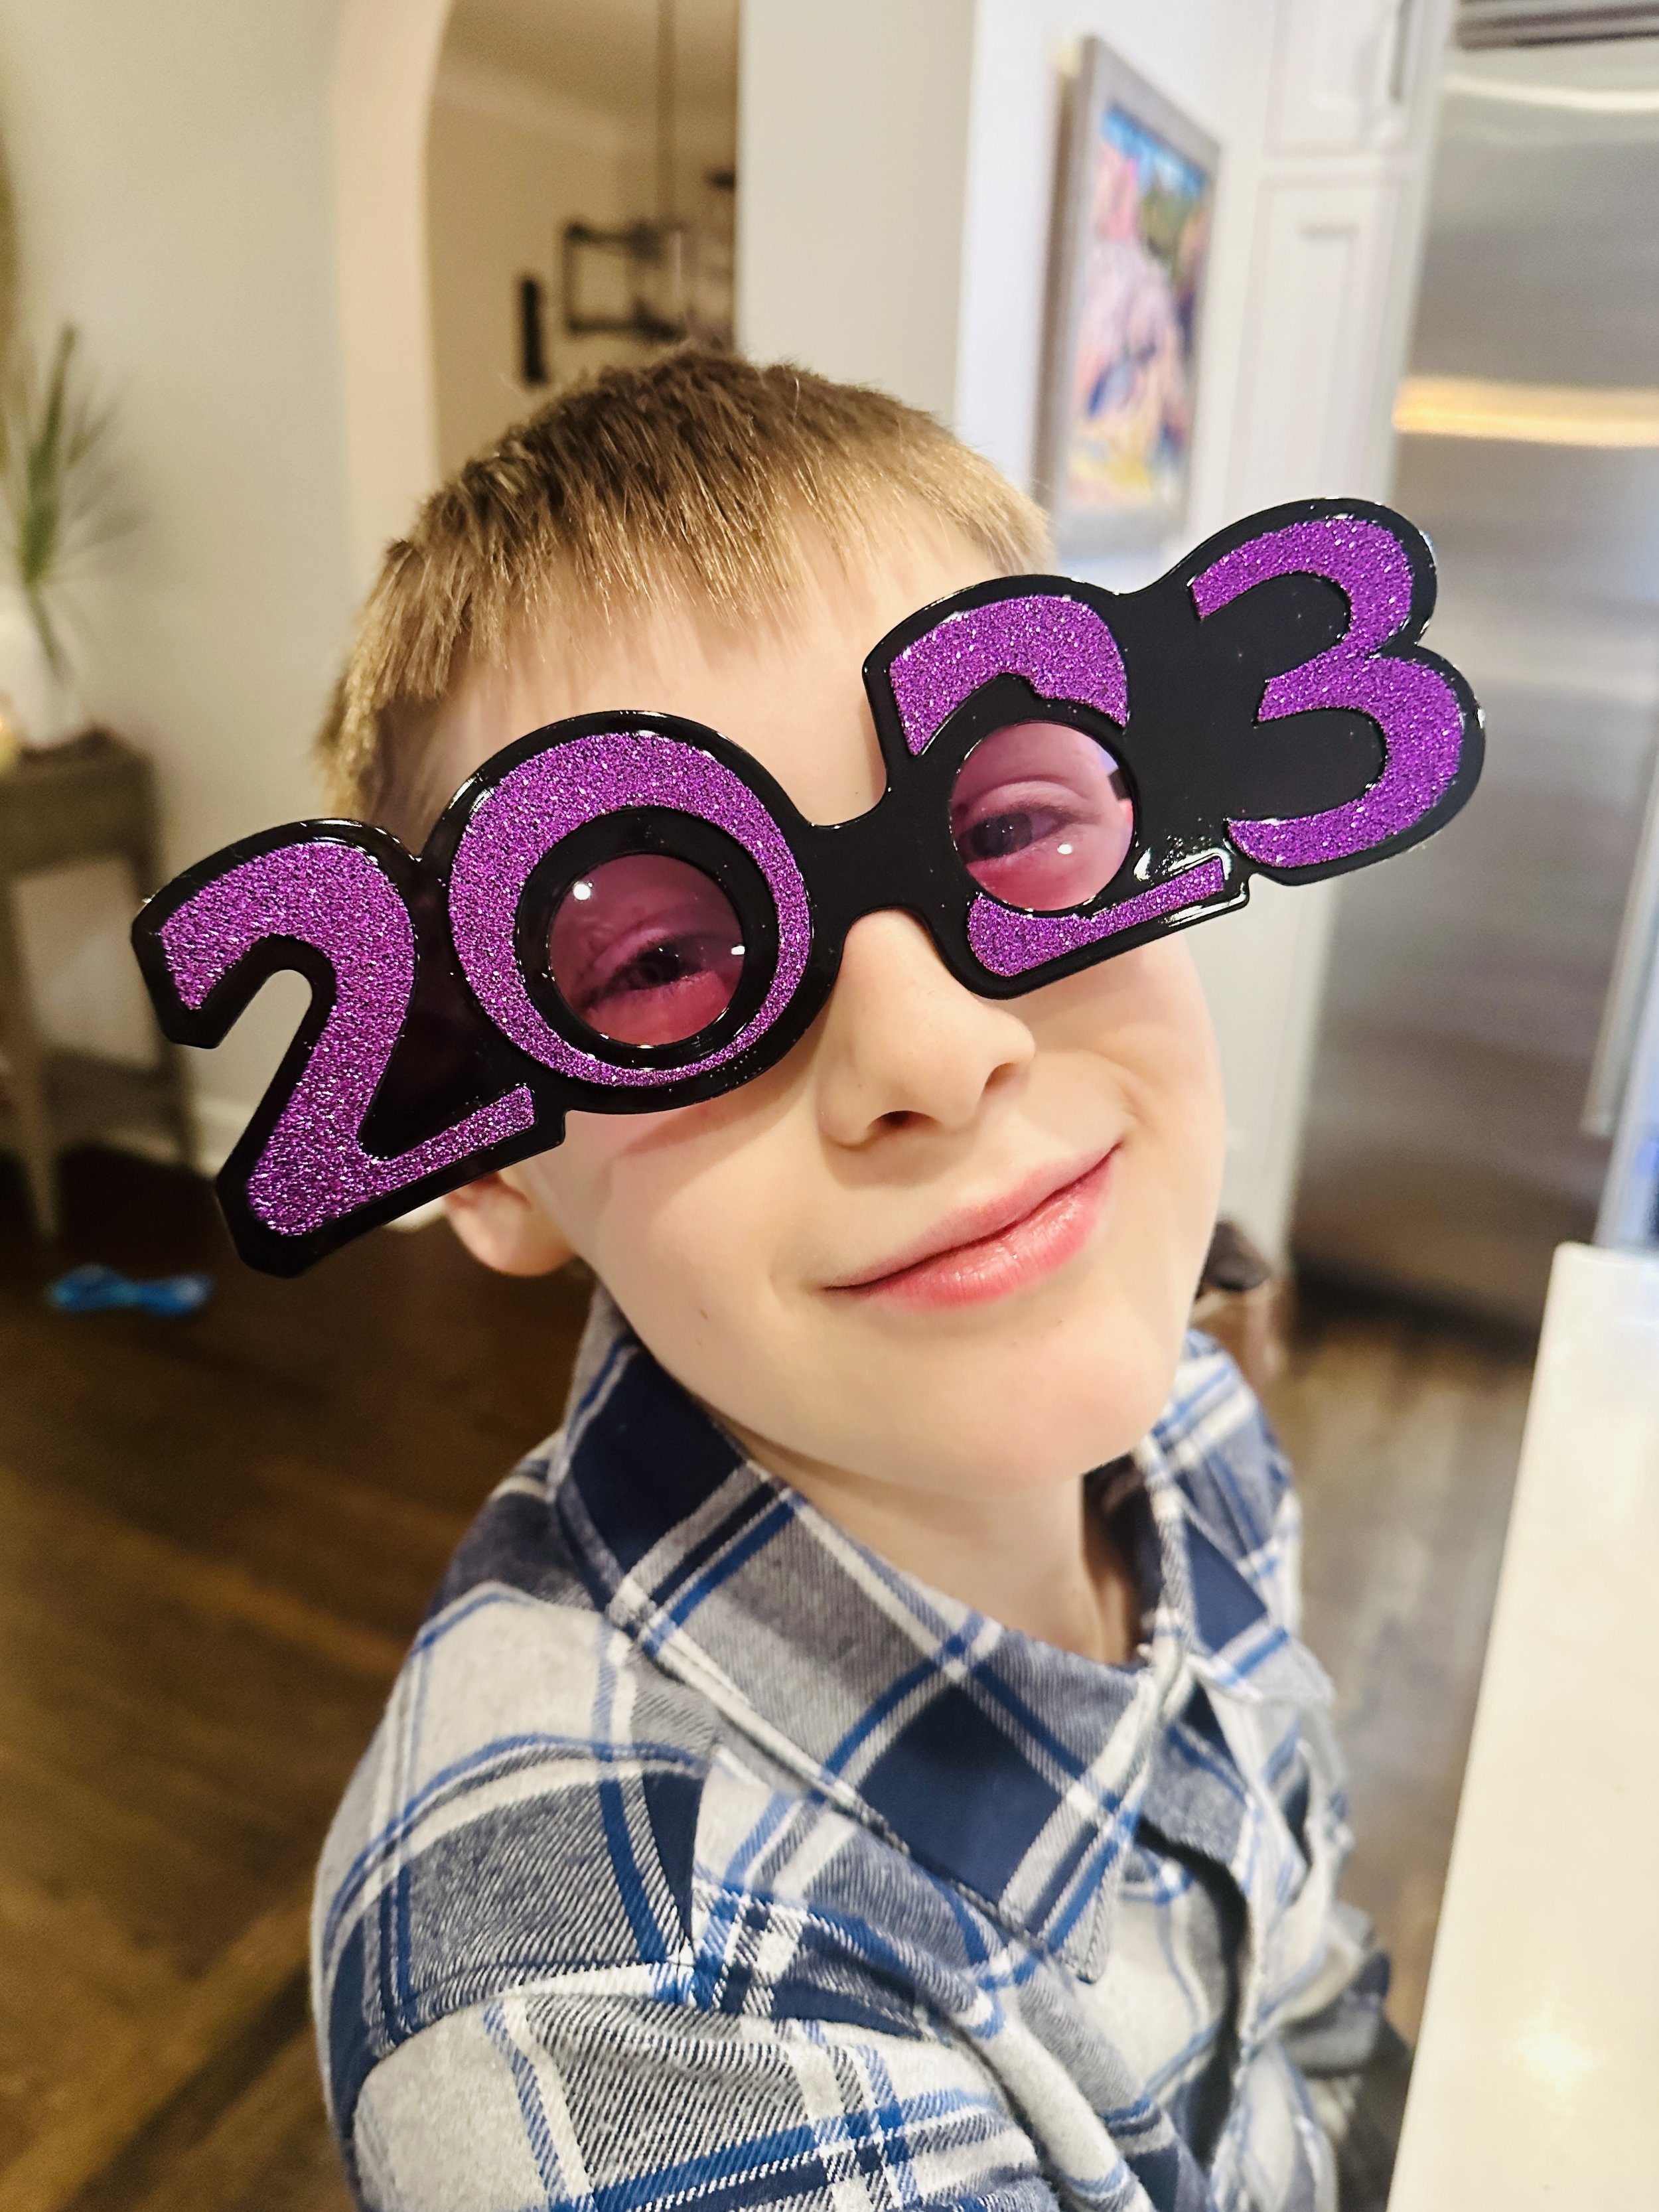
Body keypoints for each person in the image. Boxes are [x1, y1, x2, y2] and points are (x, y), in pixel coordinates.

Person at [310, 351, 1405, 2212]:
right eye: (657, 962)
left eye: (1001, 830)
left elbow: (1303, 1984)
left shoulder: (1197, 1426)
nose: (932, 1044)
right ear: (485, 1157)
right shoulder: (607, 2016)